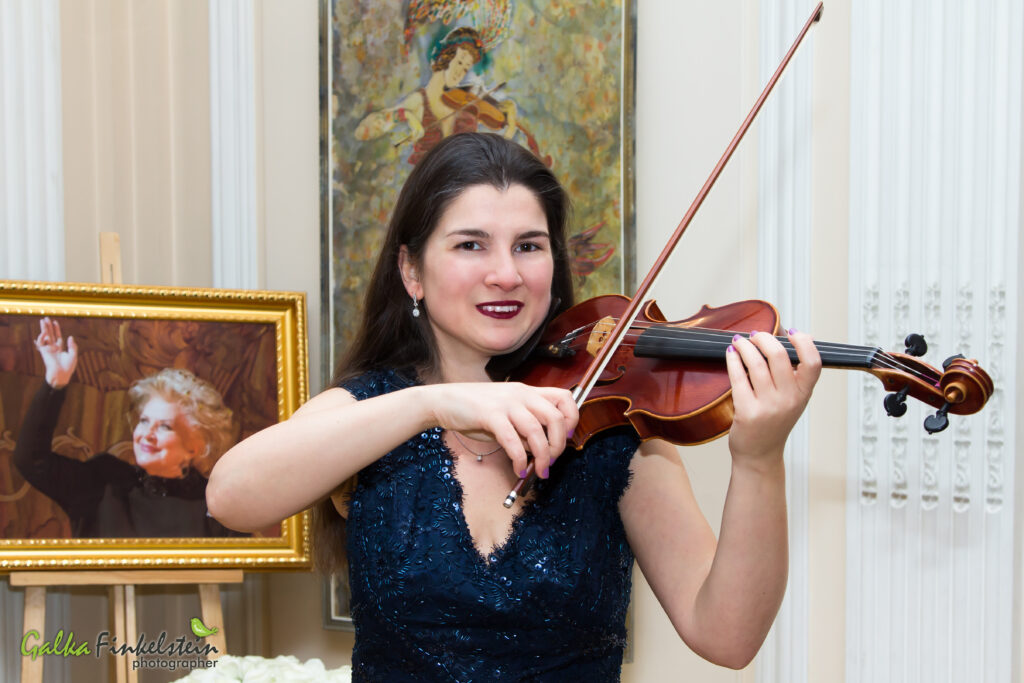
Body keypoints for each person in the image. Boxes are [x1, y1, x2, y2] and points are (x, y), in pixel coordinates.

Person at [207, 132, 822, 679]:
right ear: (412, 271)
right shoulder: (373, 409)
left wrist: (760, 460)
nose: (506, 274)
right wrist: (432, 404)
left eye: (529, 246)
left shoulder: (610, 430)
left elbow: (727, 638)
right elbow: (232, 497)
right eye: (471, 245)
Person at [14, 317, 241, 538]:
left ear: (194, 446)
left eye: (164, 427)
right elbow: (31, 460)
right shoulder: (102, 481)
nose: (147, 435)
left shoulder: (215, 505)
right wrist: (54, 384)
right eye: (144, 421)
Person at [354, 26, 519, 165]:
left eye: (465, 68)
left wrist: (510, 127)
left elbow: (492, 160)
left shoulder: (464, 101)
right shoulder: (418, 101)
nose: (460, 72)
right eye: (459, 62)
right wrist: (410, 119)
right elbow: (381, 121)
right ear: (445, 57)